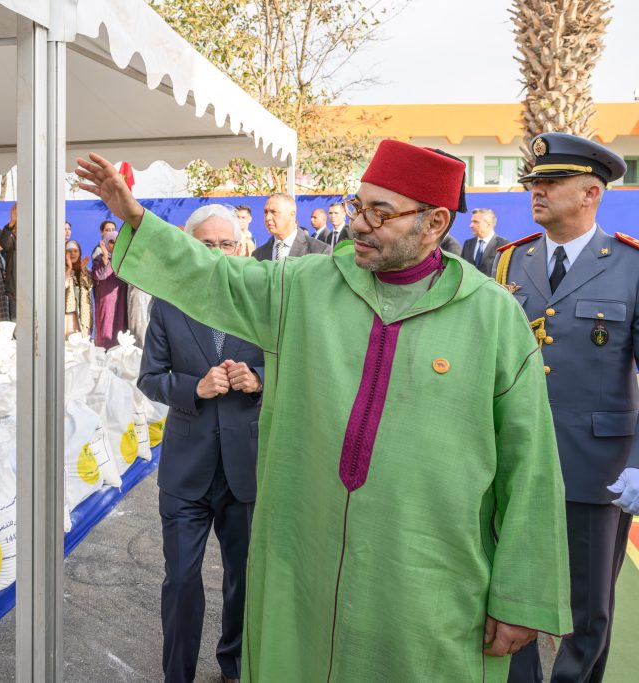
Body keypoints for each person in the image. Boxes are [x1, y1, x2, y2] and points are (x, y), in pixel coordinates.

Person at [75, 144, 572, 681]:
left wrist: (521, 596)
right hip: (308, 567)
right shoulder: (305, 286)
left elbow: (530, 467)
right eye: (358, 206)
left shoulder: (491, 317)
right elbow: (216, 279)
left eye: (380, 213)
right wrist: (135, 217)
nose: (358, 224)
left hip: (426, 580)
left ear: (434, 223)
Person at [496, 133, 639, 683]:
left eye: (552, 182)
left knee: (587, 609)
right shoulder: (509, 260)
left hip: (597, 466)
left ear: (591, 193)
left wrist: (638, 462)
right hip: (515, 460)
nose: (537, 191)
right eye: (534, 182)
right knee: (510, 593)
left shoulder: (629, 265)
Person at [137, 204, 264, 683]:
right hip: (186, 470)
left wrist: (259, 378)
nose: (216, 252)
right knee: (182, 580)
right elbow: (150, 378)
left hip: (244, 467)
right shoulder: (168, 303)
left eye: (226, 244)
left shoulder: (259, 300)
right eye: (206, 244)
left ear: (240, 247)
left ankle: (234, 665)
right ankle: (178, 674)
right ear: (189, 246)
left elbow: (292, 362)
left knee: (243, 578)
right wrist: (195, 387)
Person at [252, 193, 332, 261]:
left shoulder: (319, 251)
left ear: (292, 214)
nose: (268, 217)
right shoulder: (258, 255)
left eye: (274, 212)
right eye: (266, 212)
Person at [91, 232, 128, 349]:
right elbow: (99, 275)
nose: (115, 245)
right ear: (106, 243)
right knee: (106, 327)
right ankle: (104, 354)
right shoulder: (99, 259)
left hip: (121, 298)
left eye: (118, 242)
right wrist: (105, 258)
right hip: (106, 299)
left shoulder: (124, 259)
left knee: (121, 327)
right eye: (112, 242)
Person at [459, 208, 508, 275]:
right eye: (471, 222)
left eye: (476, 222)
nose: (471, 225)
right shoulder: (468, 244)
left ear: (488, 224)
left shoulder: (504, 245)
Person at [64, 239, 92, 338]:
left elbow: (89, 285)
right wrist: (69, 268)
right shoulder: (60, 268)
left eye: (75, 251)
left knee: (82, 341)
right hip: (68, 311)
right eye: (69, 251)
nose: (72, 253)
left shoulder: (85, 268)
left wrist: (83, 270)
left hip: (83, 310)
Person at [0, 204, 18, 303]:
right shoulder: (12, 237)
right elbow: (3, 245)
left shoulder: (37, 235)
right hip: (14, 291)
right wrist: (12, 222)